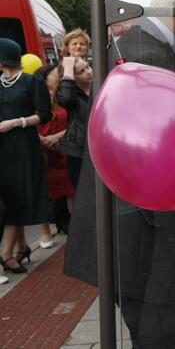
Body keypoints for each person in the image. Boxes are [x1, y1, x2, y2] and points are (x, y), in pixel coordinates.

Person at [63, 0, 175, 349]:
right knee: (160, 337)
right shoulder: (149, 58)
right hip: (145, 242)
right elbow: (155, 166)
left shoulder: (141, 47)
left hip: (136, 236)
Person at [0, 38, 52, 274]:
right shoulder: (0, 83)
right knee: (10, 195)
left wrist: (16, 122)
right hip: (3, 147)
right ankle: (21, 247)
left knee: (18, 194)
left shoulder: (32, 81)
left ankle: (7, 254)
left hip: (23, 146)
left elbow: (44, 114)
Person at [35, 64, 75, 248]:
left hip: (63, 148)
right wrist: (42, 139)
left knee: (70, 189)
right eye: (54, 75)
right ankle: (45, 233)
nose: (58, 77)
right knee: (44, 192)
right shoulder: (34, 97)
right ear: (44, 79)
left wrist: (57, 137)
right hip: (42, 151)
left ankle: (75, 226)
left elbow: (73, 121)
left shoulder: (63, 97)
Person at [55, 56, 93, 227]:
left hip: (102, 149)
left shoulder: (101, 85)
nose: (89, 72)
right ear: (72, 77)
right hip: (80, 153)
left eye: (88, 67)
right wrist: (68, 69)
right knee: (87, 197)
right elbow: (65, 98)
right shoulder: (72, 97)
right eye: (82, 71)